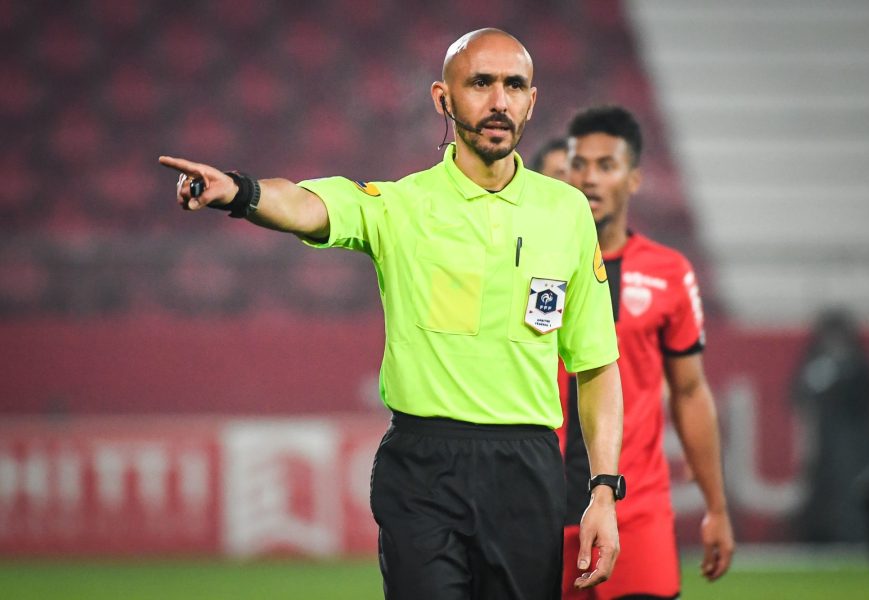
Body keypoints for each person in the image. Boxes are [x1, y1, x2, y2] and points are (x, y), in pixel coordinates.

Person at [159, 29, 624, 600]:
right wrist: (238, 192)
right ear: (443, 99)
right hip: (424, 466)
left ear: (532, 100)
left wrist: (603, 490)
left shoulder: (567, 212)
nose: (499, 101)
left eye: (514, 85)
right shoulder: (401, 205)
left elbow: (596, 365)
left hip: (526, 469)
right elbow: (308, 206)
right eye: (480, 83)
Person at [559, 105, 735, 599]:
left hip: (636, 512)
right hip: (539, 509)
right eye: (579, 164)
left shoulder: (668, 272)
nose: (589, 178)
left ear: (633, 179)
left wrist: (716, 508)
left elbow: (690, 392)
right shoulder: (532, 264)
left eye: (605, 165)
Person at [791, 307, 869, 543]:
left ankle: (857, 538)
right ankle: (821, 539)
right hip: (825, 445)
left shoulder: (860, 365)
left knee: (855, 495)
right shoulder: (814, 364)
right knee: (823, 494)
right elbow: (799, 398)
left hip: (857, 445)